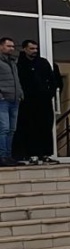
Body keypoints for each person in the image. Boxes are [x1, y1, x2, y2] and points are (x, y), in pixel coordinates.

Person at [14, 39, 61, 164]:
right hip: (27, 102)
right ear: (24, 49)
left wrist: (49, 93)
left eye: (36, 48)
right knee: (29, 127)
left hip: (44, 101)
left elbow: (53, 80)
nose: (35, 51)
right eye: (31, 48)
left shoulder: (43, 63)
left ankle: (45, 154)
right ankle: (31, 154)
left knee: (45, 127)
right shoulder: (19, 64)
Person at [0, 37, 21, 167]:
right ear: (1, 46)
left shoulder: (12, 62)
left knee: (12, 129)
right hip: (3, 100)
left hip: (14, 99)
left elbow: (16, 79)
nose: (12, 49)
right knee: (4, 128)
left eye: (13, 46)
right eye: (9, 46)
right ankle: (2, 156)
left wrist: (20, 93)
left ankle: (8, 156)